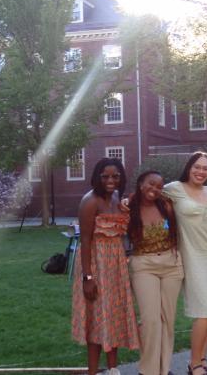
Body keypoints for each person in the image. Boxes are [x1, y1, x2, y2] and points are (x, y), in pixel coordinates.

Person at [72, 158, 139, 375]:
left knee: (115, 317)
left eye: (115, 176)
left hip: (116, 265)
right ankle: (92, 372)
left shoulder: (118, 198)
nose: (111, 180)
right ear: (97, 177)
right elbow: (85, 241)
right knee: (97, 321)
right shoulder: (89, 201)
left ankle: (112, 370)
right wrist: (87, 278)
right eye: (106, 176)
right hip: (95, 264)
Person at [162, 151, 207, 375]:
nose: (200, 171)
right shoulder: (173, 189)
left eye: (205, 168)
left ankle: (203, 359)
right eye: (197, 167)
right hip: (192, 255)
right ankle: (194, 363)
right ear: (189, 167)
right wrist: (127, 202)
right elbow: (147, 195)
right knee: (204, 309)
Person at [127, 170, 184, 375]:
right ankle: (148, 370)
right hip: (144, 265)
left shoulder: (166, 205)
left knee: (168, 320)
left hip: (172, 265)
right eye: (151, 184)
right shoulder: (128, 208)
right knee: (151, 320)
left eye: (159, 186)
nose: (155, 189)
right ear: (141, 183)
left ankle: (163, 369)